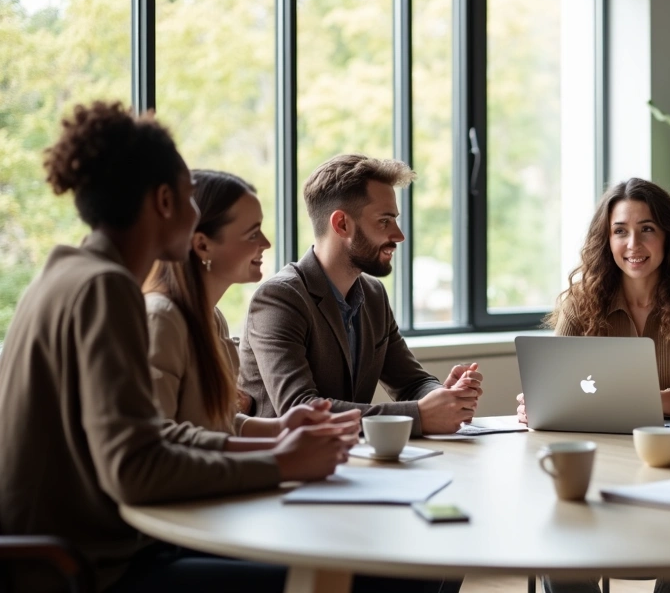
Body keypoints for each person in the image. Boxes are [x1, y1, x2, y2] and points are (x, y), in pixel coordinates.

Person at [0, 101, 360, 592]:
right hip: (90, 570)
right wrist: (280, 463)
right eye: (191, 200)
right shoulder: (107, 290)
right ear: (164, 201)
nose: (195, 219)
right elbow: (137, 469)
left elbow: (158, 433)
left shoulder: (63, 274)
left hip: (95, 551)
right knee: (350, 574)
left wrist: (275, 441)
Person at [517, 177, 670, 593]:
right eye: (620, 231)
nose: (633, 243)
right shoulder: (583, 299)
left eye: (647, 229)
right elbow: (553, 375)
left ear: (668, 235)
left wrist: (650, 401)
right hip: (598, 459)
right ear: (606, 238)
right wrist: (540, 401)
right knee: (560, 552)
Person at [239, 153, 482, 435]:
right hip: (285, 468)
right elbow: (300, 408)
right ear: (342, 224)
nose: (399, 235)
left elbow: (411, 383)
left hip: (350, 463)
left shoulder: (373, 294)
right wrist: (419, 416)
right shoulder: (279, 299)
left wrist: (442, 397)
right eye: (384, 221)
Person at [144, 169, 355, 438]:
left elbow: (215, 425)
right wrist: (279, 456)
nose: (266, 243)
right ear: (203, 245)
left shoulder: (212, 317)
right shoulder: (160, 320)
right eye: (252, 233)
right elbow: (159, 442)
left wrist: (283, 427)